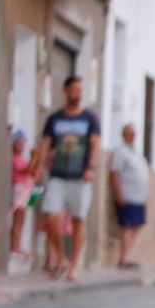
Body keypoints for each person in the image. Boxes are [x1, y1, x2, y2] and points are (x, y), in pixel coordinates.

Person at [40, 75, 101, 281]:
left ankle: (74, 265)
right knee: (50, 217)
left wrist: (91, 167)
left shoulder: (90, 119)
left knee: (78, 220)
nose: (78, 93)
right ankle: (61, 257)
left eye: (80, 89)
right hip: (57, 175)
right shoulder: (54, 119)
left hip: (80, 177)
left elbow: (95, 145)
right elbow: (45, 145)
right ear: (65, 91)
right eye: (74, 89)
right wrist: (39, 167)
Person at [109, 123, 150, 269]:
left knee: (136, 226)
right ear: (124, 135)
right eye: (129, 133)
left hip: (139, 196)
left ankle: (128, 256)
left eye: (133, 134)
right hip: (128, 195)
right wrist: (119, 193)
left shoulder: (137, 152)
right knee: (127, 226)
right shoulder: (120, 152)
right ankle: (123, 259)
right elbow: (114, 173)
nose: (132, 136)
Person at [8, 129, 35, 258]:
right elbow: (26, 170)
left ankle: (18, 245)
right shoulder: (15, 159)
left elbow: (32, 171)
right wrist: (33, 158)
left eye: (23, 143)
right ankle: (14, 247)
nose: (22, 145)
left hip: (25, 189)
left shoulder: (21, 158)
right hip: (19, 189)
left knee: (22, 219)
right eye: (20, 143)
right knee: (18, 219)